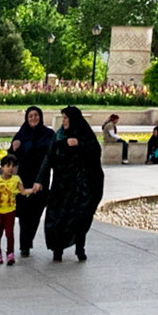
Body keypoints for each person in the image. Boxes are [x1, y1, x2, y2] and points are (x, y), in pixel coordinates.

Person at [29, 106, 103, 262]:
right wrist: (39, 180)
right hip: (61, 185)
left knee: (79, 217)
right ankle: (57, 249)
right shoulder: (58, 137)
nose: (63, 121)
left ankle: (80, 248)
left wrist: (79, 144)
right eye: (62, 118)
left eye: (66, 118)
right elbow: (48, 159)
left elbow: (95, 152)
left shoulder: (85, 135)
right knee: (58, 217)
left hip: (79, 186)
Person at [8, 107, 55, 258]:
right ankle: (24, 245)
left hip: (40, 179)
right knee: (23, 213)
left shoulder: (48, 135)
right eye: (30, 116)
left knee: (35, 212)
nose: (33, 118)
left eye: (36, 115)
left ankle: (28, 240)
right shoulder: (21, 135)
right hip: (23, 179)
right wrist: (13, 149)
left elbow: (52, 156)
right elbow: (10, 159)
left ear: (40, 117)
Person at [0, 154, 23, 266]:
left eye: (13, 166)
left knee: (9, 233)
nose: (11, 168)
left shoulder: (16, 179)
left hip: (10, 211)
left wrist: (33, 190)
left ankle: (10, 254)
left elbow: (22, 191)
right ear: (2, 167)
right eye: (8, 166)